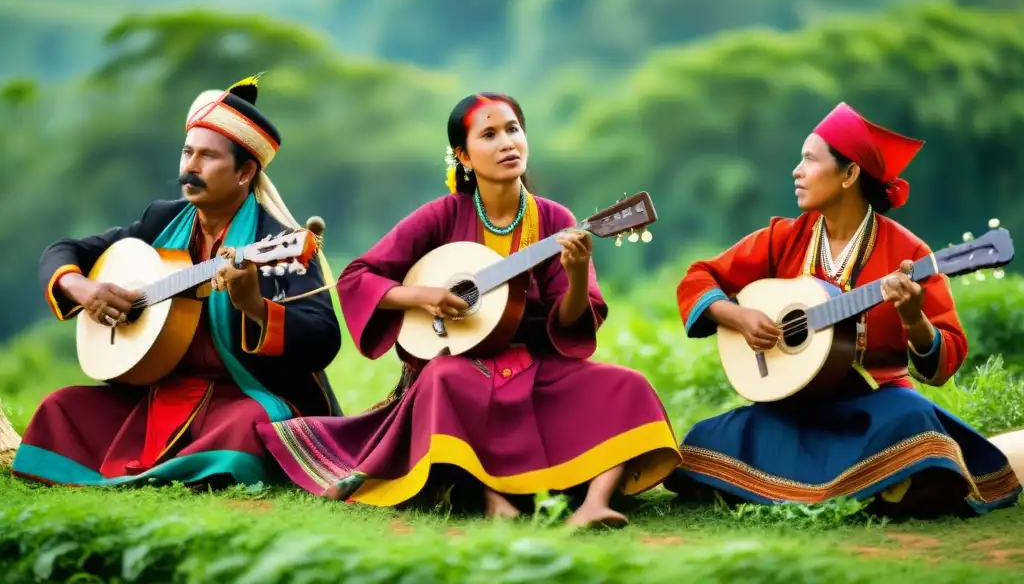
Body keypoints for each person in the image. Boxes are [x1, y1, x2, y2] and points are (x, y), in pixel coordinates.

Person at [256, 93, 680, 527]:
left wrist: (576, 272)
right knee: (442, 379)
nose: (506, 143)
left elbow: (572, 322)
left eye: (513, 130)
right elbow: (357, 276)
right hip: (464, 363)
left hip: (536, 364)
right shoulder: (442, 215)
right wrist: (424, 297)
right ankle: (491, 497)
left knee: (627, 384)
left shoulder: (554, 219)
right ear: (463, 155)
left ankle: (595, 504)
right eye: (489, 135)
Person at [663, 102, 1022, 517]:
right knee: (702, 442)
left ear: (850, 174)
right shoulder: (785, 237)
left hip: (874, 411)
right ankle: (874, 489)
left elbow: (944, 361)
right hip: (794, 407)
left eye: (809, 160)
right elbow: (698, 277)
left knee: (915, 421)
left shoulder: (908, 253)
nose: (796, 171)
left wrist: (913, 319)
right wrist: (737, 315)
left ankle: (797, 486)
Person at [12, 77, 343, 488]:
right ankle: (180, 470)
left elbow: (324, 338)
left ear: (244, 172)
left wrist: (254, 306)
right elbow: (63, 251)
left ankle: (178, 471)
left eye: (207, 157)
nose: (191, 167)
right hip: (156, 394)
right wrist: (85, 289)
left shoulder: (278, 242)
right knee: (60, 408)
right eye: (188, 152)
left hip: (240, 397)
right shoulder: (162, 221)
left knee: (251, 429)